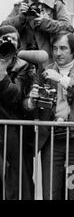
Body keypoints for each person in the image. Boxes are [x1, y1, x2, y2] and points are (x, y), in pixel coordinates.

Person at [25, 32, 74, 200]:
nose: (58, 53)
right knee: (51, 191)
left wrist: (61, 79)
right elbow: (27, 104)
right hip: (51, 140)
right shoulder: (44, 71)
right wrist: (31, 101)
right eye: (55, 48)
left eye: (63, 48)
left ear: (73, 51)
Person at [2, 0, 74, 68]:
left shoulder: (56, 5)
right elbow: (4, 29)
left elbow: (69, 28)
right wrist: (20, 18)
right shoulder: (19, 7)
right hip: (23, 62)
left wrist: (45, 22)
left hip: (50, 60)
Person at [0, 25, 36, 200]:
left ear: (19, 44)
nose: (8, 42)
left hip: (13, 127)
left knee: (17, 176)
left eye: (12, 39)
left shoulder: (24, 66)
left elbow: (15, 96)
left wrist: (2, 71)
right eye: (4, 39)